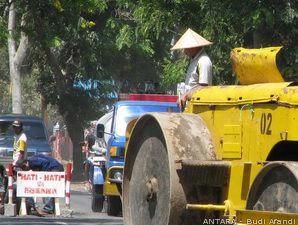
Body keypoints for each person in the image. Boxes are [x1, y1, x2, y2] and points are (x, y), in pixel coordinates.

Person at [171, 28, 213, 110]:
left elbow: (204, 87)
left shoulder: (204, 61)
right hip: (191, 107)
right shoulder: (194, 60)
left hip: (199, 108)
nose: (184, 51)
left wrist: (185, 95)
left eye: (186, 48)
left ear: (193, 47)